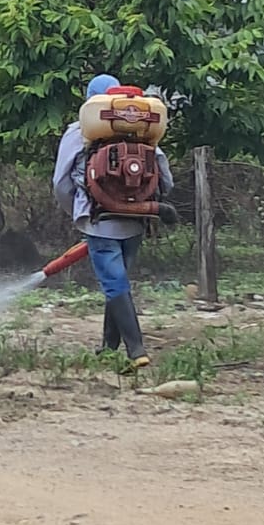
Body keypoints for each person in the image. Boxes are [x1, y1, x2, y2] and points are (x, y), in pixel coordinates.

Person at [53, 73, 174, 369]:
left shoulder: (81, 129)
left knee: (114, 283)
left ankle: (136, 350)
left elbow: (60, 183)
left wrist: (78, 210)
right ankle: (109, 347)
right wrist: (148, 201)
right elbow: (164, 175)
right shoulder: (141, 128)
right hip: (136, 219)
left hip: (99, 218)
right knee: (117, 282)